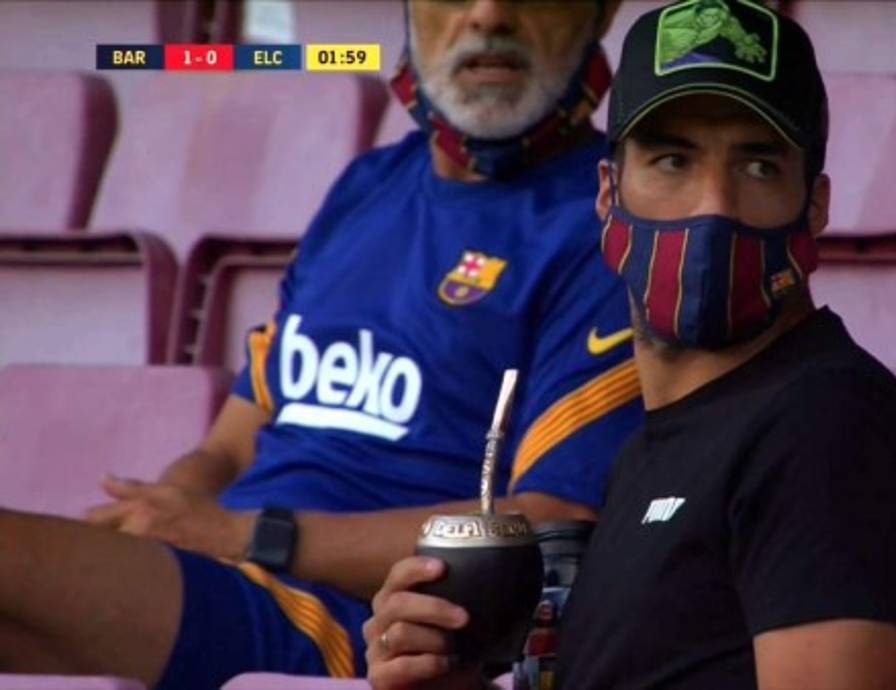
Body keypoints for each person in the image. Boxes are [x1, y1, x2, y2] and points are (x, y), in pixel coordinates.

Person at [0, 1, 641, 688]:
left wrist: (248, 536)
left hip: (354, 627)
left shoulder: (608, 223)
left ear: (598, 12)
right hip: (221, 575)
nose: (488, 12)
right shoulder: (366, 185)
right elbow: (230, 442)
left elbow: (551, 526)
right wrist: (168, 505)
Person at [364, 1, 896, 688]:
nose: (713, 204)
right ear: (607, 192)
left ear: (817, 204)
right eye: (673, 160)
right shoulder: (657, 449)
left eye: (759, 166)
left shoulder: (827, 428)